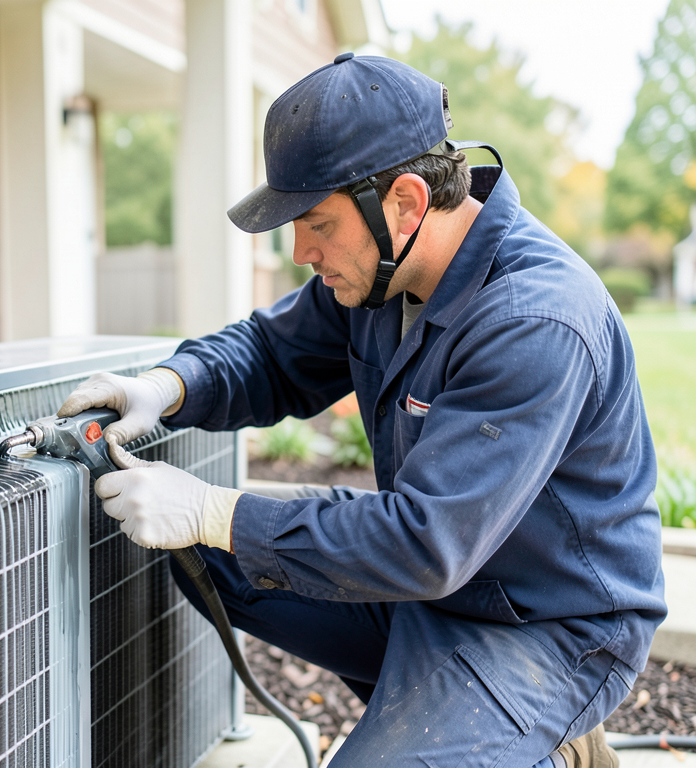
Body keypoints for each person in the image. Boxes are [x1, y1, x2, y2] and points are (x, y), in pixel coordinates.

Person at [59, 54, 666, 768]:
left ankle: (529, 735)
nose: (300, 251)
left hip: (545, 624)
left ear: (405, 201)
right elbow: (271, 352)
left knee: (228, 534)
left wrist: (214, 510)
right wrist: (168, 385)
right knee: (216, 558)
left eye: (316, 222)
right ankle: (448, 721)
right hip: (439, 585)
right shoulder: (381, 273)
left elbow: (427, 542)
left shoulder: (533, 320)